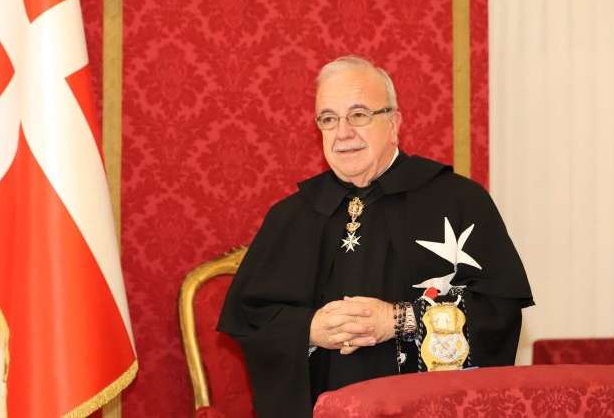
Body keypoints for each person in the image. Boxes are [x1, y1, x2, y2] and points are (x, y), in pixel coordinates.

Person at [217, 55, 533, 418]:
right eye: (328, 119)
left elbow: (499, 312)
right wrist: (309, 330)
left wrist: (400, 319)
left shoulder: (460, 200)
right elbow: (250, 320)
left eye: (359, 115)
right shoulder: (290, 216)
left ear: (394, 123)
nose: (342, 133)